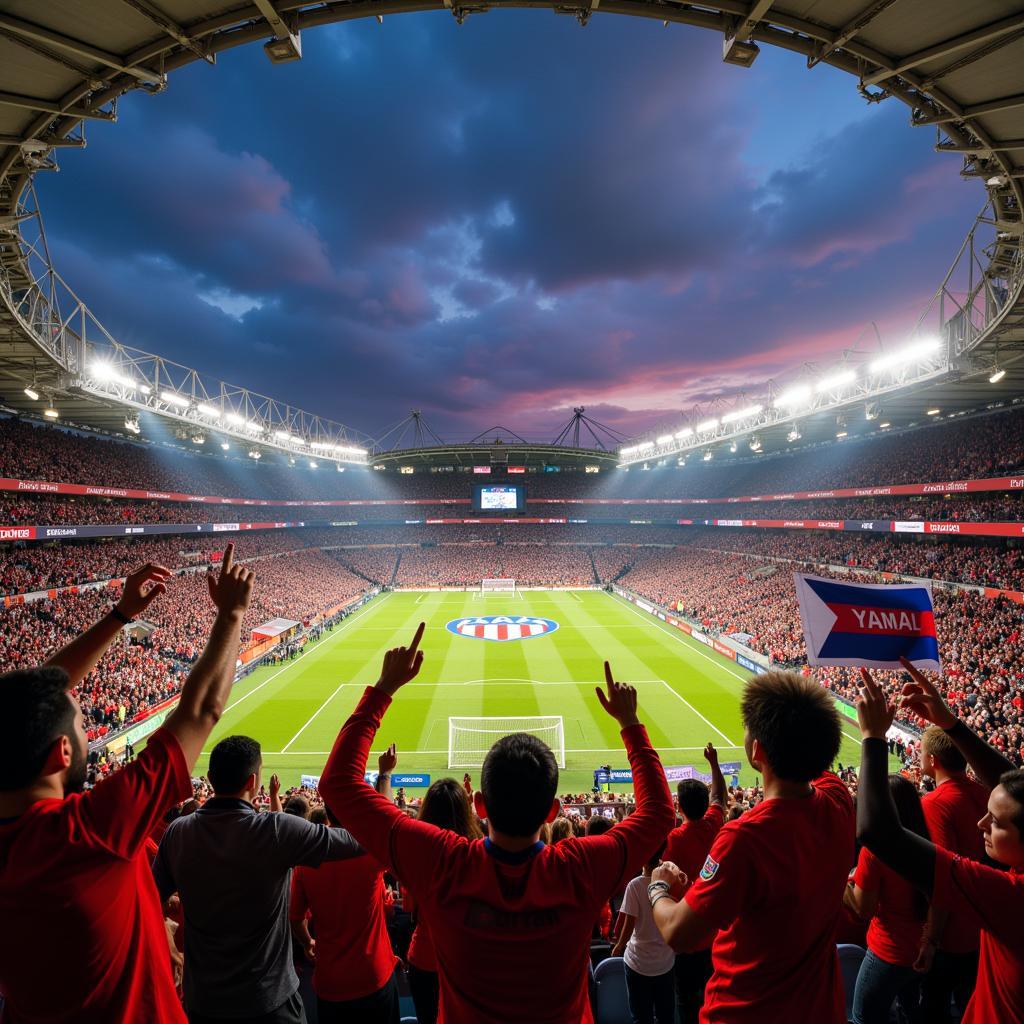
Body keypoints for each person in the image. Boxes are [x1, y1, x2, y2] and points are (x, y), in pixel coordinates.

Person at [318, 627, 674, 1024]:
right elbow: (659, 812)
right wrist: (630, 723)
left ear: (480, 804)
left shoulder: (441, 861)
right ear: (553, 810)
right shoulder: (581, 867)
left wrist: (383, 688)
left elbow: (337, 784)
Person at [0, 548, 254, 1022]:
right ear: (63, 754)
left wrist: (120, 615)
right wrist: (232, 614)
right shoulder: (89, 831)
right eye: (79, 723)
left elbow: (24, 704)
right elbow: (200, 711)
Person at [649, 670, 854, 1023]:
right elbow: (817, 759)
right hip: (820, 1008)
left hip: (746, 1011)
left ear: (757, 749)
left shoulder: (744, 838)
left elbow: (678, 933)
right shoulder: (839, 802)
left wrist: (658, 886)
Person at [855, 658, 1024, 1024]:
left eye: (995, 822)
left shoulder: (1008, 896)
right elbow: (1010, 782)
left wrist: (872, 738)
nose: (982, 823)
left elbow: (876, 831)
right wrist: (951, 724)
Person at [152, 734, 364, 1024]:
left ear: (211, 779)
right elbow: (357, 841)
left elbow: (149, 901)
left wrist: (172, 949)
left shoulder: (177, 833)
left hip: (204, 1001)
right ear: (253, 782)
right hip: (269, 1002)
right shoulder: (276, 831)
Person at [289, 746, 400, 1024]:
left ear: (327, 816)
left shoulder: (306, 862)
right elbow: (384, 822)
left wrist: (307, 942)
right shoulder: (368, 852)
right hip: (374, 975)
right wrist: (385, 774)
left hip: (331, 982)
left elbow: (295, 917)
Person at [916, 724, 990, 1019]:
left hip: (952, 934)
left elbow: (944, 875)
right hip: (983, 922)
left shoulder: (935, 803)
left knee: (935, 1008)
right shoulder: (983, 792)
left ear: (933, 760)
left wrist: (931, 939)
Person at [844, 775, 930, 1024]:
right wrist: (932, 941)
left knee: (863, 1017)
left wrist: (841, 883)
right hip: (922, 947)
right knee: (911, 1010)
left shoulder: (875, 850)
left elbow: (862, 908)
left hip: (888, 950)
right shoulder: (929, 841)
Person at [402, 773, 484, 1024]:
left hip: (425, 958)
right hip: (469, 959)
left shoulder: (415, 856)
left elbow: (408, 906)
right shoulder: (480, 852)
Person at [662, 744, 726, 1024]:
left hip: (688, 934)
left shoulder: (674, 839)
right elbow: (720, 796)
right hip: (715, 931)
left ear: (680, 806)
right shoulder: (714, 824)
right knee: (712, 995)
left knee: (686, 1001)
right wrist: (714, 763)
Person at [611, 844, 676, 1024]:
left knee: (641, 1016)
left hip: (637, 963)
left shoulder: (635, 885)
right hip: (665, 961)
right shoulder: (671, 882)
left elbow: (629, 923)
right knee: (666, 1015)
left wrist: (618, 946)